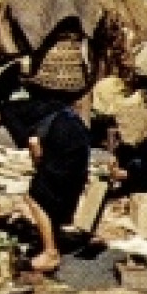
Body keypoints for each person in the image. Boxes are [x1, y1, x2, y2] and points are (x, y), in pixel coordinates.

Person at [20, 87, 93, 275]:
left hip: (65, 154)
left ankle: (50, 252)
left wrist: (38, 166)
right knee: (59, 192)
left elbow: (35, 146)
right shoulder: (60, 108)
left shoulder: (24, 114)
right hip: (78, 148)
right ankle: (56, 232)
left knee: (36, 197)